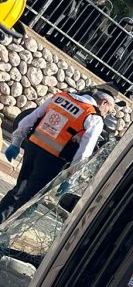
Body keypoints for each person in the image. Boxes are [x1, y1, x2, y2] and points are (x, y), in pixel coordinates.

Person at [0, 87, 117, 221]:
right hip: (52, 161)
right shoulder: (93, 117)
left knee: (19, 190)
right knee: (29, 201)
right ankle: (4, 234)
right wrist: (70, 178)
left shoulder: (60, 97)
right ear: (103, 103)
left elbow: (29, 119)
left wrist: (15, 142)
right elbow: (84, 153)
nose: (107, 114)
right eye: (109, 111)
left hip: (33, 149)